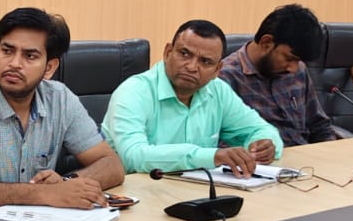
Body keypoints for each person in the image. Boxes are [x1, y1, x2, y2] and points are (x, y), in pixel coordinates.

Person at [0, 7, 124, 213]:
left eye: (29, 56)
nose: (14, 63)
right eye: (7, 51)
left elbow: (112, 165)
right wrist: (45, 194)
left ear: (49, 68)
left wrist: (67, 183)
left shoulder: (60, 99)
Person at [102, 19, 283, 176]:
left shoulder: (218, 91)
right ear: (167, 52)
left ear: (217, 69)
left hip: (198, 190)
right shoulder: (133, 92)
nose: (191, 67)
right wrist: (210, 156)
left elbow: (262, 130)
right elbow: (133, 157)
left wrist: (262, 146)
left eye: (205, 61)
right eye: (184, 54)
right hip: (140, 193)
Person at [218, 4, 340, 146]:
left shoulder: (299, 70)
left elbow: (319, 126)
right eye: (289, 58)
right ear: (266, 43)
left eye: (298, 61)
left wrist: (328, 150)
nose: (293, 69)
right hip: (261, 159)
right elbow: (220, 144)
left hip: (306, 155)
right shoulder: (224, 78)